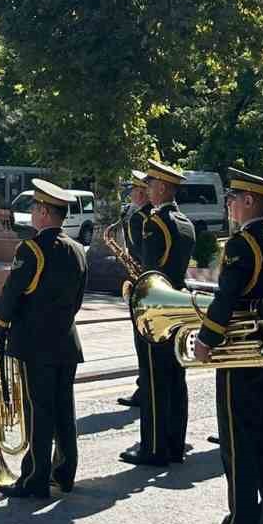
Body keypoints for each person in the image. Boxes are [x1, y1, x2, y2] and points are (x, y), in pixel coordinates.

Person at [191, 169, 263, 524]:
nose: (230, 204)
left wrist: (206, 339)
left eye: (234, 197)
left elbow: (226, 298)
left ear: (250, 201)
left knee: (237, 444)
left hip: (241, 362)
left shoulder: (242, 245)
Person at [0, 178, 86, 500]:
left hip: (35, 344)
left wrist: (0, 325)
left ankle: (34, 478)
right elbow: (77, 302)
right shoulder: (77, 250)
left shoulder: (31, 249)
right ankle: (65, 473)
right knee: (63, 410)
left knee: (38, 411)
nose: (32, 213)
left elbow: (11, 293)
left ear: (44, 212)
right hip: (66, 341)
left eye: (34, 208)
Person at [121, 159, 196, 467]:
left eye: (150, 184)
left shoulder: (156, 222)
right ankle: (175, 444)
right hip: (179, 305)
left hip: (157, 311)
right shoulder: (185, 222)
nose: (147, 189)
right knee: (176, 377)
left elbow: (149, 269)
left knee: (153, 379)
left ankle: (153, 447)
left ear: (163, 187)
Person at [116, 170, 154, 408]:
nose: (131, 194)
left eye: (134, 190)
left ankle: (145, 388)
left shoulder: (141, 219)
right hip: (147, 285)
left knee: (143, 343)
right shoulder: (142, 216)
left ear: (142, 193)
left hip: (143, 286)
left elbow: (141, 254)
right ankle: (147, 386)